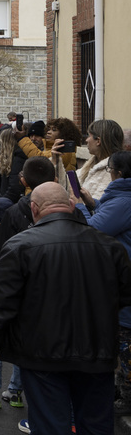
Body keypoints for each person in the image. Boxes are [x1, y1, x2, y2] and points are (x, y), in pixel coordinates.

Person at [0, 183, 131, 435]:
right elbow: (125, 295)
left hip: (41, 353)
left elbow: (1, 300)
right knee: (96, 425)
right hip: (97, 351)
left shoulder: (20, 245)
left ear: (34, 209)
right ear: (72, 206)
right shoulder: (109, 246)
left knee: (50, 424)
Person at [0, 157, 58, 411]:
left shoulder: (14, 211)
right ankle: (17, 391)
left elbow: (1, 248)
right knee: (25, 340)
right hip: (45, 288)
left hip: (12, 285)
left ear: (23, 181)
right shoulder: (68, 211)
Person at [75, 150, 131, 413]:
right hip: (119, 276)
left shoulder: (124, 199)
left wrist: (77, 206)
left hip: (123, 278)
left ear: (117, 173)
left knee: (125, 336)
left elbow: (94, 231)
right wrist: (92, 203)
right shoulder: (121, 197)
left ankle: (127, 397)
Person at [79, 118, 125, 202]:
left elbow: (100, 208)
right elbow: (67, 186)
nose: (86, 140)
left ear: (98, 141)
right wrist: (56, 159)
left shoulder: (113, 171)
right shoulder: (91, 164)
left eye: (89, 136)